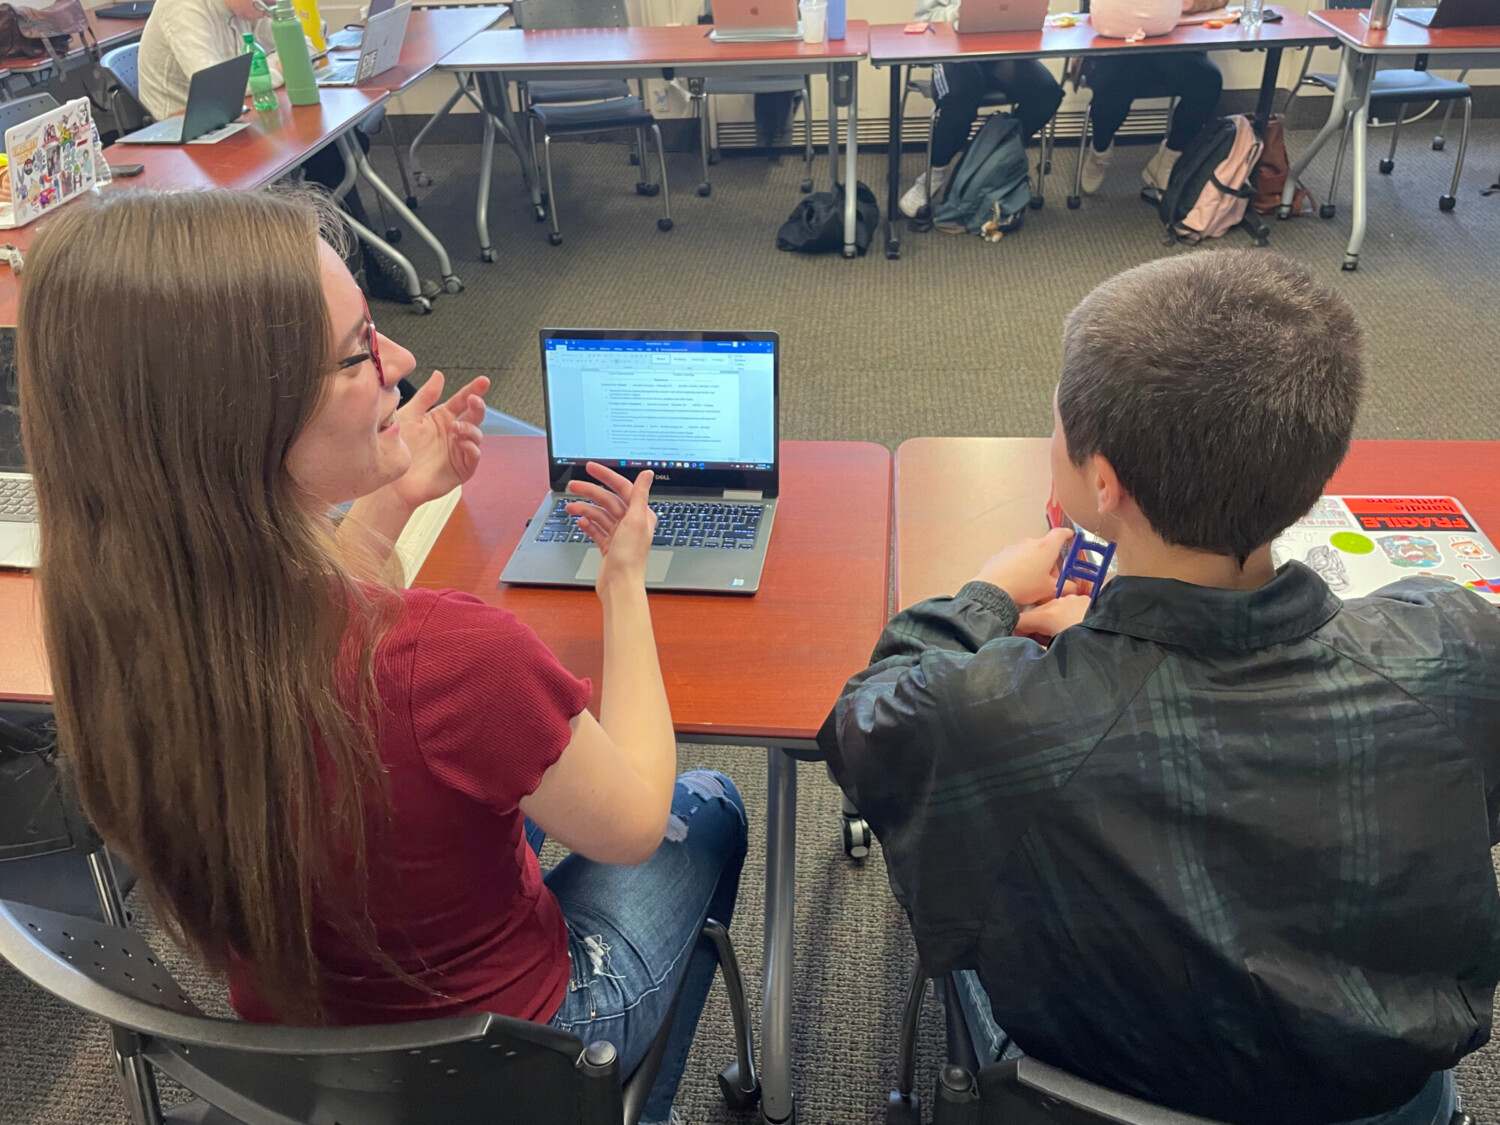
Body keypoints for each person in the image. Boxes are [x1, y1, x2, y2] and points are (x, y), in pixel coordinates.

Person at [19, 189, 747, 1125]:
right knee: (705, 804)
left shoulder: (116, 629)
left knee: (482, 796)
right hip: (510, 1051)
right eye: (361, 349)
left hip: (299, 1046)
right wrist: (624, 582)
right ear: (245, 417)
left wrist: (395, 496)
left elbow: (315, 636)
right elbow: (636, 822)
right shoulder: (454, 660)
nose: (401, 361)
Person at [820, 251, 1500, 1125]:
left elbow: (863, 720)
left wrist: (987, 595)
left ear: (1103, 483)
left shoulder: (995, 717)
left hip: (1088, 1086)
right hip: (1377, 1098)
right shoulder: (1457, 652)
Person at [137, 0, 406, 300]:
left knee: (330, 150)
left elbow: (304, 47)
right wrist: (278, 67)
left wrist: (275, 64)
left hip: (239, 118)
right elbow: (219, 85)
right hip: (187, 137)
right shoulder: (185, 8)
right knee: (326, 157)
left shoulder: (247, 8)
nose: (270, 6)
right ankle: (356, 267)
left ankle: (355, 265)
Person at [899, 0, 1064, 218]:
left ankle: (994, 157)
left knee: (1047, 93)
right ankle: (933, 174)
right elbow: (924, 18)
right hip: (952, 51)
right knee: (960, 97)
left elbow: (1037, 10)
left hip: (1003, 50)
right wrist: (962, 12)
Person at [1078, 0, 1224, 199]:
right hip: (1117, 43)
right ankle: (1100, 150)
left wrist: (1185, 5)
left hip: (1170, 43)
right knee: (1115, 82)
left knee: (1208, 80)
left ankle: (1170, 157)